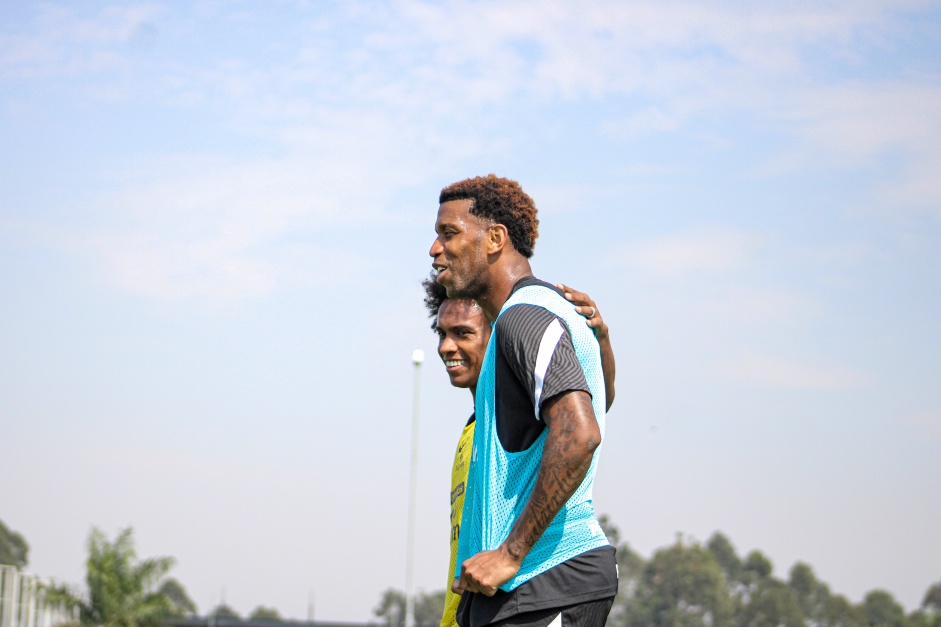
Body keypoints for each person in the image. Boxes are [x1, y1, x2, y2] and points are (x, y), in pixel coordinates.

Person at [428, 174, 619, 627]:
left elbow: (581, 432)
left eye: (448, 233)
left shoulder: (523, 316)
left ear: (495, 239)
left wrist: (511, 553)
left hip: (545, 582)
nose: (434, 249)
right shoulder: (531, 318)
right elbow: (595, 404)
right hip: (520, 594)